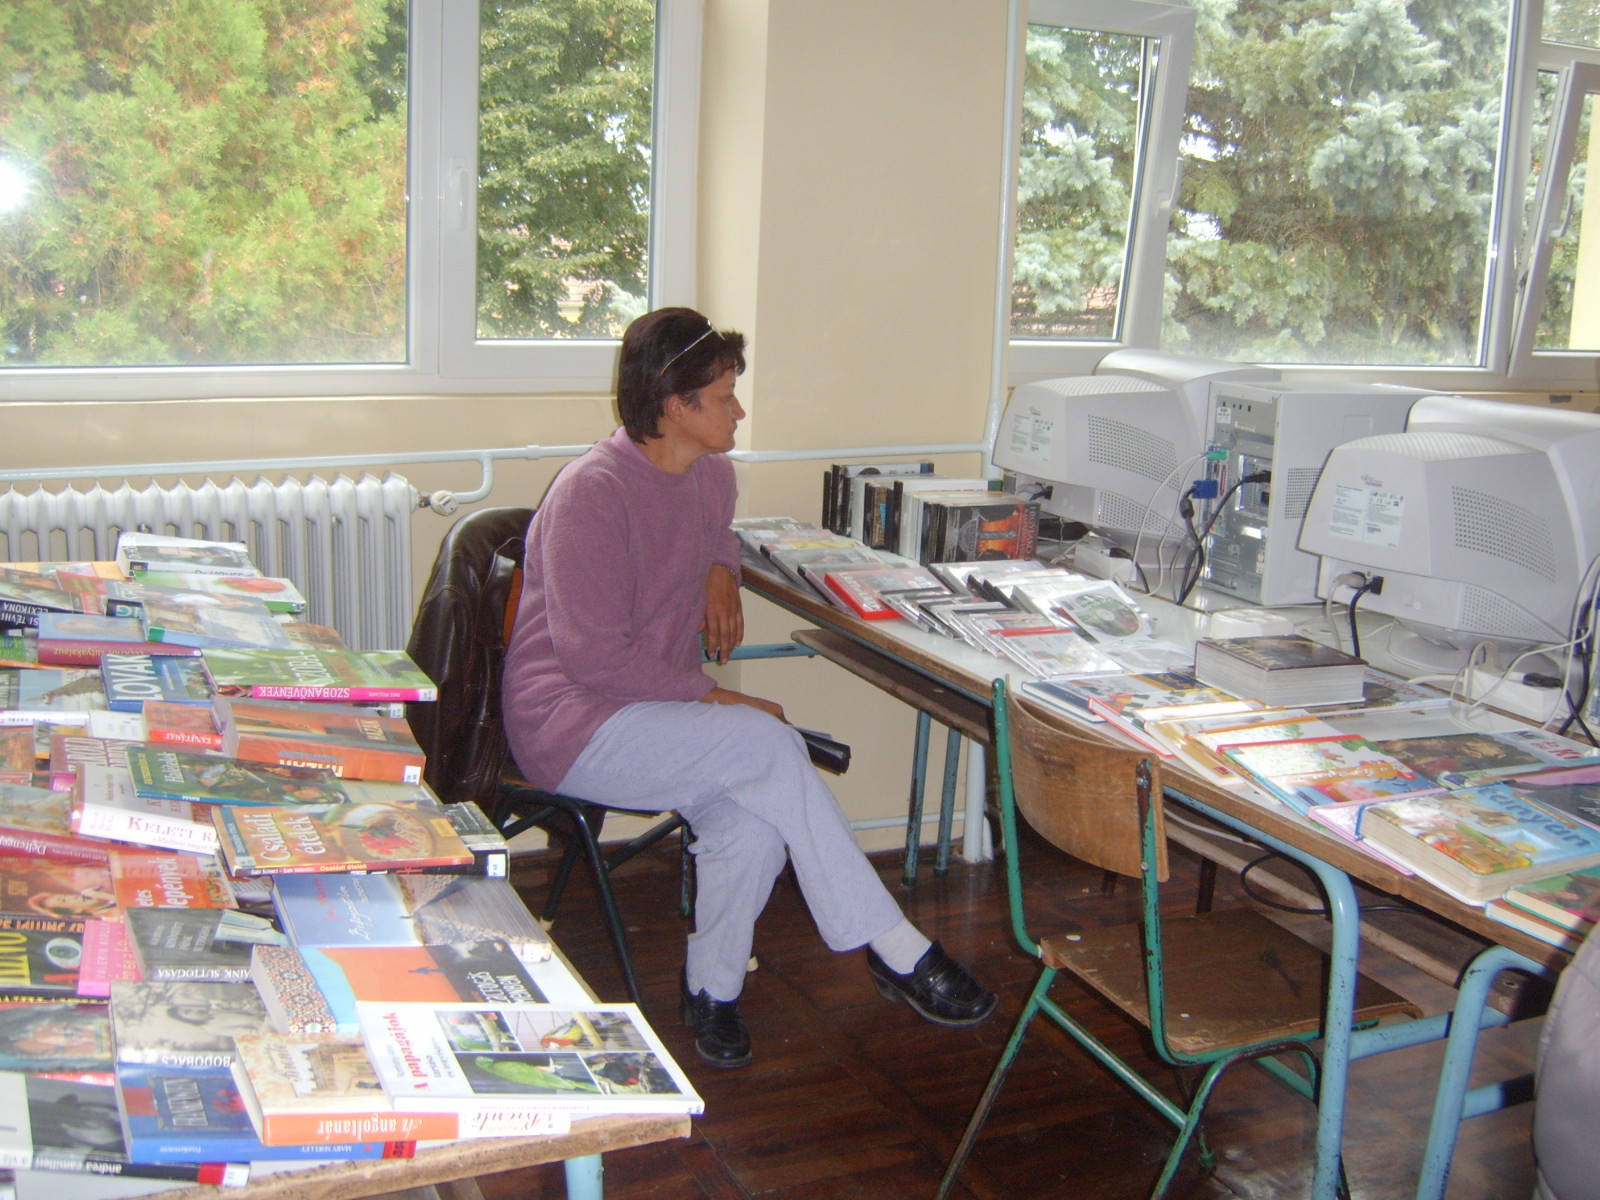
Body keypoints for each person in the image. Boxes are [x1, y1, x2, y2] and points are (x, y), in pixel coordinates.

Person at [502, 306, 996, 1069]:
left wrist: (721, 572)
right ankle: (895, 947)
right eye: (725, 395)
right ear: (676, 405)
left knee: (754, 826)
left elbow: (713, 538)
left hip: (659, 712)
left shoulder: (712, 475)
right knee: (766, 741)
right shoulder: (590, 494)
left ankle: (713, 989)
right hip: (572, 722)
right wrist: (717, 696)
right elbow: (594, 658)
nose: (738, 410)